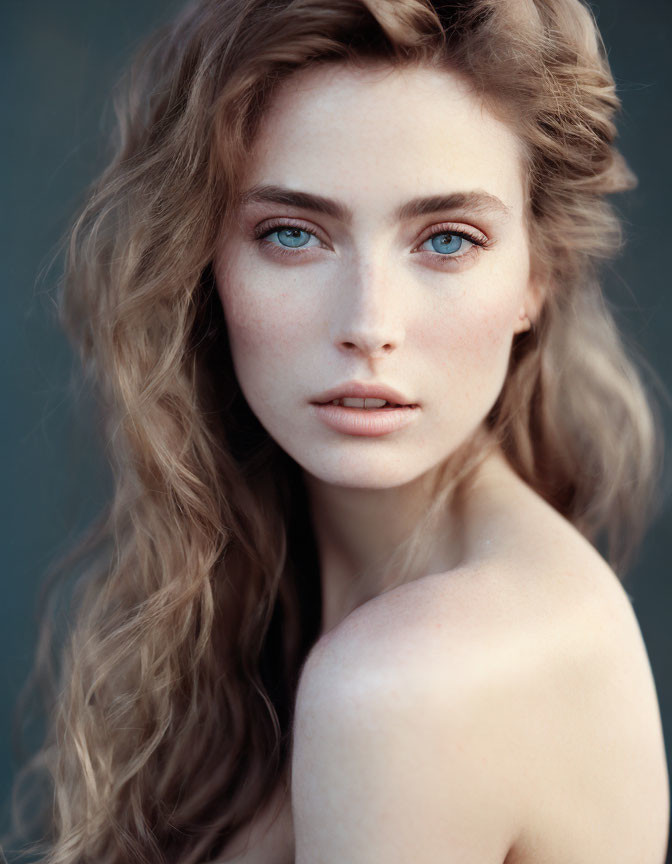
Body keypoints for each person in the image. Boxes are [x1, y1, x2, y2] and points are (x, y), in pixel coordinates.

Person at [3, 0, 670, 862]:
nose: (368, 323)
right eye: (292, 233)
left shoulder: (407, 681)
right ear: (205, 261)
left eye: (447, 240)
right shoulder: (302, 613)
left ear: (536, 276)